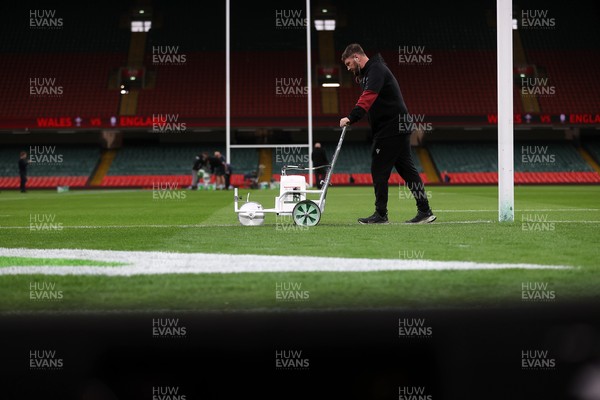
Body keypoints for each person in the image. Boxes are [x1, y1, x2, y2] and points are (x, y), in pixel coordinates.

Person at [339, 43, 436, 224]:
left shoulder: (376, 69)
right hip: (396, 127)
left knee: (379, 170)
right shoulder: (370, 73)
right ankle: (425, 211)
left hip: (391, 129)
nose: (349, 68)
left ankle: (381, 214)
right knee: (407, 170)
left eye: (348, 64)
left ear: (357, 58)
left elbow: (367, 98)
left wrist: (351, 118)